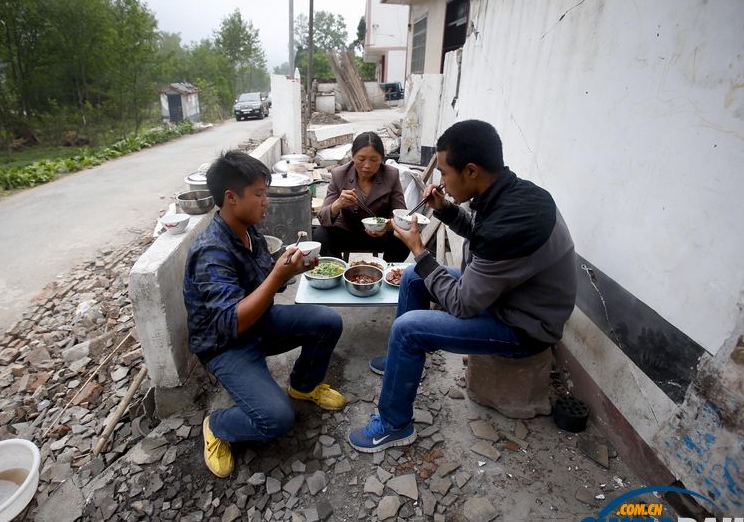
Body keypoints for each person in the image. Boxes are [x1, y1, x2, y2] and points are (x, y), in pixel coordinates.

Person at [348, 120, 578, 453]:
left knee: (407, 328)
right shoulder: (507, 194)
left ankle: (394, 424)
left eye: (444, 173)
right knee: (414, 278)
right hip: (506, 293)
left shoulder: (511, 225)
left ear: (471, 171)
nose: (441, 182)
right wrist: (445, 209)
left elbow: (461, 304)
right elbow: (478, 232)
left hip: (523, 324)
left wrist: (419, 250)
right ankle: (402, 365)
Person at [184, 151, 347, 478]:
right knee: (277, 418)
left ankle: (303, 385)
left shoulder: (248, 230)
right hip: (226, 345)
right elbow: (232, 321)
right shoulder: (210, 251)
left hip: (258, 324)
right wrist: (276, 277)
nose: (266, 202)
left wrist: (289, 271)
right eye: (259, 194)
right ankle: (217, 426)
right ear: (231, 198)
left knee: (328, 321)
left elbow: (262, 283)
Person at [314, 131, 410, 262]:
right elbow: (322, 217)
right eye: (361, 159)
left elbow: (401, 214)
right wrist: (338, 204)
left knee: (404, 238)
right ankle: (338, 272)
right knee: (320, 235)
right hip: (346, 233)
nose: (367, 165)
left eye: (374, 160)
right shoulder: (339, 174)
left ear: (381, 159)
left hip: (379, 236)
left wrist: (387, 226)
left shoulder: (391, 175)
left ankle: (388, 273)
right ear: (353, 156)